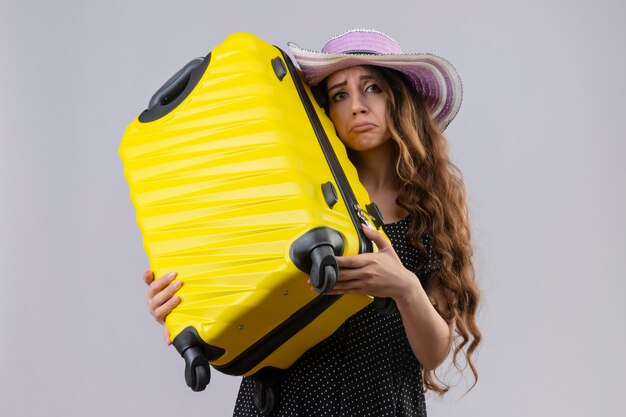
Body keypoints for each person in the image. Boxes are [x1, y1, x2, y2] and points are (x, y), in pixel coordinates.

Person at [143, 28, 481, 416]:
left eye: (372, 88)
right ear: (324, 110)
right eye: (340, 94)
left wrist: (404, 288)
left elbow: (434, 352)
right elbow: (229, 270)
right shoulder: (287, 191)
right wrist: (180, 301)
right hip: (284, 401)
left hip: (381, 403)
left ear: (399, 100)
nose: (356, 105)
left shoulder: (434, 210)